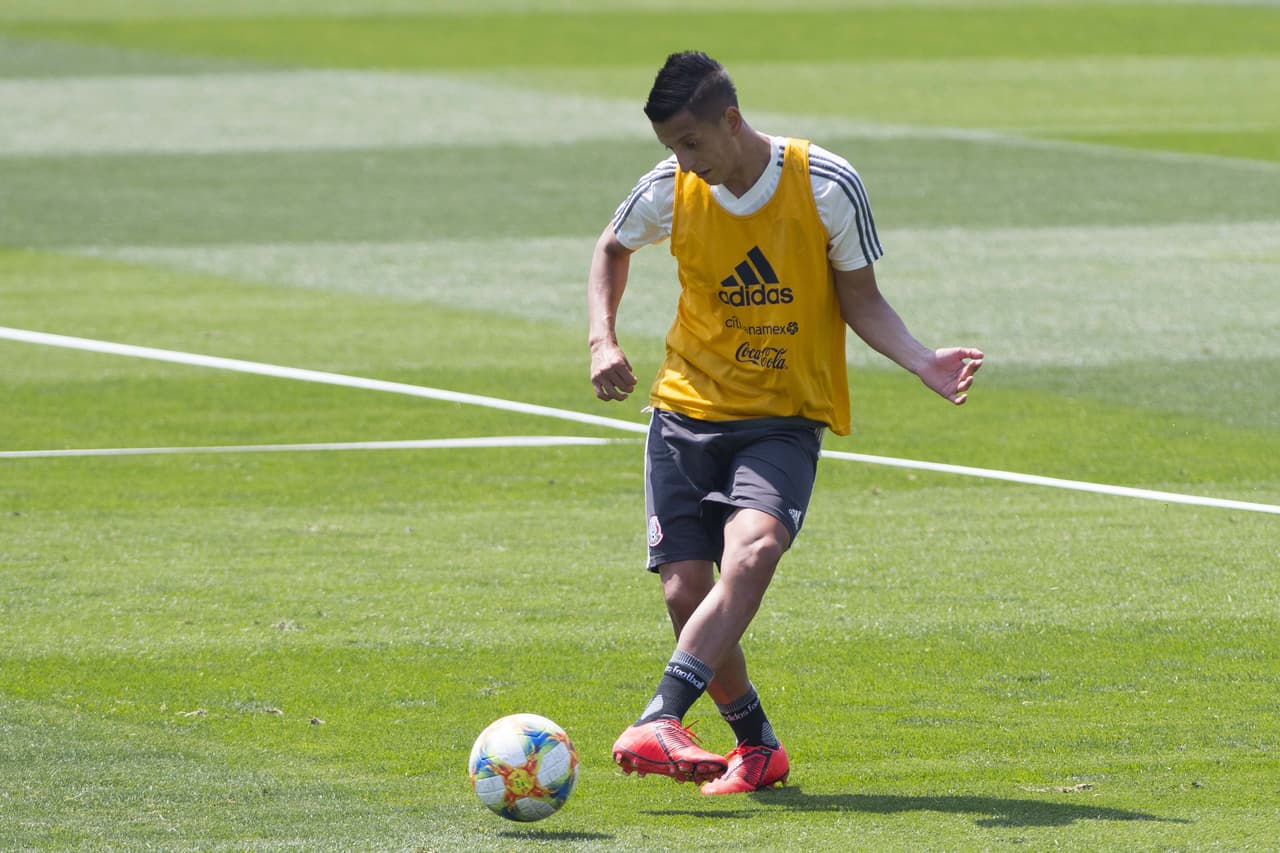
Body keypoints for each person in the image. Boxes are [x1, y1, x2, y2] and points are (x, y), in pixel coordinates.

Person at [587, 50, 983, 796]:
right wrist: (602, 337)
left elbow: (860, 297)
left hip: (781, 418)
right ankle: (756, 745)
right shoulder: (669, 189)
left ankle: (662, 712)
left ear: (730, 121)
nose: (683, 159)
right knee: (684, 593)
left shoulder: (827, 184)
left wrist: (922, 361)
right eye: (671, 147)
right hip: (684, 411)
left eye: (691, 142)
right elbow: (612, 246)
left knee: (756, 546)